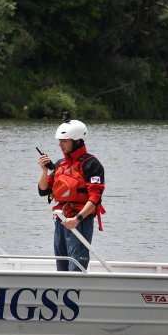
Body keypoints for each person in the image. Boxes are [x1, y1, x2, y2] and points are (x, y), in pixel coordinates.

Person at [37, 116, 105, 271]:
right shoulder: (60, 164)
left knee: (76, 267)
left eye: (64, 141)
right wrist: (45, 170)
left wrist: (77, 218)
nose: (60, 144)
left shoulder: (91, 164)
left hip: (79, 221)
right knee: (61, 266)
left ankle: (77, 291)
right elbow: (43, 191)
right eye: (59, 141)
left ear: (77, 141)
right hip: (61, 220)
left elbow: (95, 197)